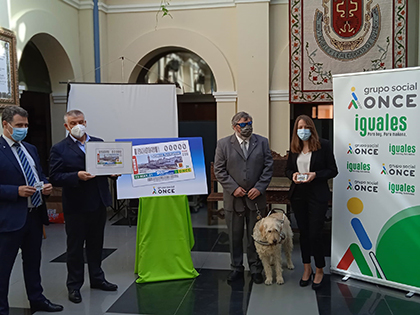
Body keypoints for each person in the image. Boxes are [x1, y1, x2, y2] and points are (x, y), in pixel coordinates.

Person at [49, 110, 117, 304]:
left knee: (96, 245)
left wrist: (113, 173)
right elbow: (55, 177)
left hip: (98, 202)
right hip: (76, 205)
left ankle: (97, 278)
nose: (78, 125)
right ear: (66, 126)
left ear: (85, 122)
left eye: (80, 121)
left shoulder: (98, 143)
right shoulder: (59, 149)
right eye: (73, 123)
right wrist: (76, 176)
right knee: (75, 248)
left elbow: (107, 166)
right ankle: (74, 286)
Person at [0, 106, 63, 315]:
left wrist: (45, 186)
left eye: (26, 125)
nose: (23, 129)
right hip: (9, 219)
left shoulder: (30, 148)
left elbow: (40, 174)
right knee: (4, 267)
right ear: (5, 125)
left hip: (34, 214)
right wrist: (15, 191)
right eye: (19, 125)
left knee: (33, 261)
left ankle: (37, 298)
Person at [214, 112, 273, 284]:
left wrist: (259, 187)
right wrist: (233, 189)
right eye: (243, 125)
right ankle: (236, 268)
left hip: (256, 199)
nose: (247, 128)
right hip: (234, 200)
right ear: (234, 127)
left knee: (256, 235)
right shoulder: (223, 144)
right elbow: (219, 170)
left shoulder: (262, 142)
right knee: (235, 235)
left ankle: (256, 268)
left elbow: (268, 167)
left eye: (249, 124)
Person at [285, 115, 338, 290]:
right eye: (300, 127)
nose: (303, 130)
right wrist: (292, 175)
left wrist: (315, 175)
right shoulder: (295, 147)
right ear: (296, 130)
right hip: (299, 194)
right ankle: (307, 268)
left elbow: (333, 170)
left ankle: (320, 269)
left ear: (312, 128)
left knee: (315, 233)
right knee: (305, 233)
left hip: (317, 194)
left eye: (306, 126)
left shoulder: (324, 145)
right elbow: (288, 169)